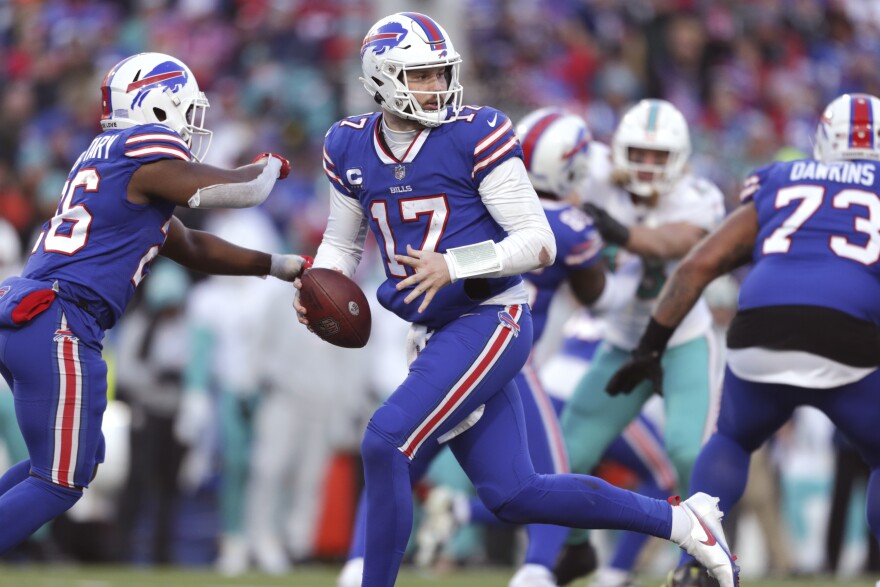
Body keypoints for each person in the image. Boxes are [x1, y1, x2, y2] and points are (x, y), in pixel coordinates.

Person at [294, 13, 739, 587]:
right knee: (516, 494)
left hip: (489, 318)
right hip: (432, 330)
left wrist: (453, 264)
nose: (436, 87)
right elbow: (341, 242)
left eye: (440, 73)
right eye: (421, 76)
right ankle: (684, 522)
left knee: (385, 441)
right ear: (381, 78)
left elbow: (538, 241)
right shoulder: (347, 143)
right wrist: (317, 285)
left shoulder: (474, 131)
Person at [0, 51, 310, 554]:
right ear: (158, 107)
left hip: (30, 314)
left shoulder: (107, 158)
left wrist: (277, 265)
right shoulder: (143, 146)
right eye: (187, 111)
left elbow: (191, 245)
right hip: (60, 318)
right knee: (59, 479)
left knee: (74, 456)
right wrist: (267, 167)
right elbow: (237, 191)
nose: (191, 126)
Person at [339, 106, 643, 587]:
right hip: (499, 349)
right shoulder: (570, 224)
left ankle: (360, 564)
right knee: (538, 472)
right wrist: (632, 266)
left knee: (400, 455)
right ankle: (540, 567)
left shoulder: (482, 196)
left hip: (463, 340)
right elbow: (602, 300)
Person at [605, 91, 880, 586]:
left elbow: (699, 265)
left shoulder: (782, 177)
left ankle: (696, 564)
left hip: (761, 324)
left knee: (732, 439)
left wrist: (650, 346)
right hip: (849, 332)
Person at [556, 99, 726, 584]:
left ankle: (701, 559)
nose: (646, 165)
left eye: (658, 156)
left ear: (680, 159)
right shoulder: (595, 179)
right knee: (568, 453)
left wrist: (620, 231)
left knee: (688, 453)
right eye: (638, 153)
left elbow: (673, 243)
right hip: (622, 344)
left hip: (683, 342)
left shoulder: (699, 197)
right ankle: (576, 549)